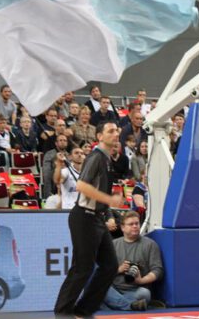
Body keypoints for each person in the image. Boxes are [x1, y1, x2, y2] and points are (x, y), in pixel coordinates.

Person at [54, 121, 124, 318]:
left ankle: (83, 310)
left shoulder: (108, 159)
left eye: (117, 130)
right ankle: (62, 312)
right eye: (110, 131)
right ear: (99, 136)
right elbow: (81, 186)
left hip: (97, 219)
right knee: (82, 268)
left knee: (110, 266)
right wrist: (110, 199)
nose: (116, 134)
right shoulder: (95, 157)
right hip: (84, 217)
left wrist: (108, 210)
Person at [103, 211, 164, 311]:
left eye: (137, 223)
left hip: (136, 290)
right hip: (113, 288)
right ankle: (131, 305)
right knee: (99, 286)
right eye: (131, 224)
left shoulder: (150, 245)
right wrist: (119, 269)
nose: (135, 226)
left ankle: (113, 305)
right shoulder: (113, 245)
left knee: (145, 294)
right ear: (122, 227)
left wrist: (141, 280)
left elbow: (158, 271)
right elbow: (103, 272)